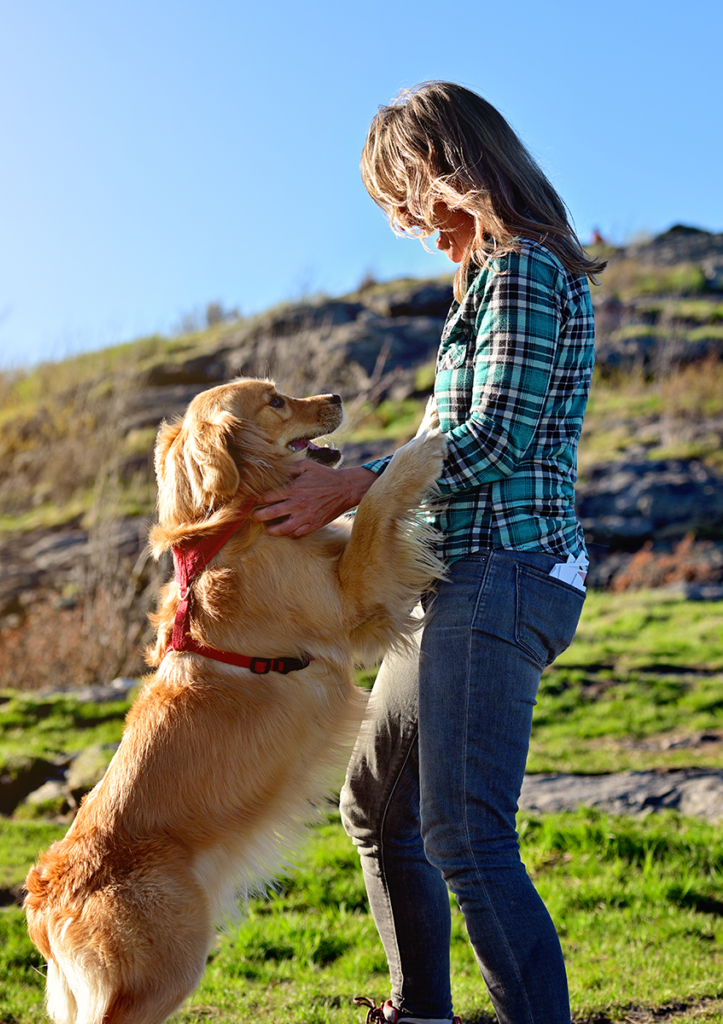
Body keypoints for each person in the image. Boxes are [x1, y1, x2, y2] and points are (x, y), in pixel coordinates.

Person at [253, 81, 606, 1024]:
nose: (408, 226)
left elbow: (493, 437)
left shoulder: (527, 269)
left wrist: (356, 480)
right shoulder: (484, 289)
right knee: (377, 808)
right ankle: (423, 1016)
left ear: (445, 172)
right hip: (456, 581)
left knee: (463, 829)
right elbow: (431, 458)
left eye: (402, 200)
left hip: (506, 572)